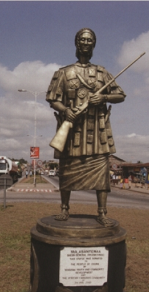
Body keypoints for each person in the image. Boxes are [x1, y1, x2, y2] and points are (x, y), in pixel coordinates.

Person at [46, 28, 126, 227]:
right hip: (72, 132)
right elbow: (52, 99)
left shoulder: (102, 72)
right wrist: (65, 111)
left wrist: (104, 97)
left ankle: (102, 212)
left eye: (90, 40)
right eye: (82, 39)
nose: (86, 42)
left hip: (97, 131)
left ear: (94, 45)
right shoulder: (64, 72)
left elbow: (120, 95)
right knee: (67, 169)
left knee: (100, 169)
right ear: (76, 43)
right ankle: (64, 210)